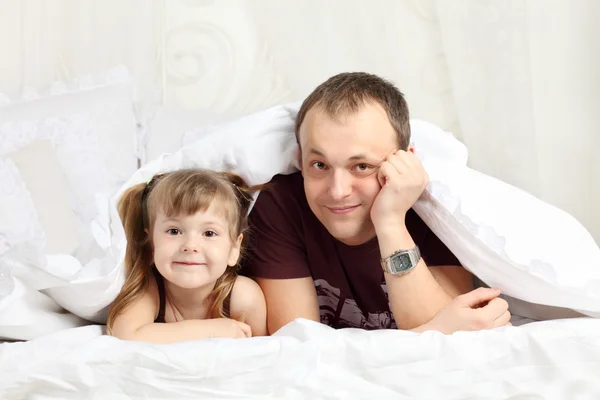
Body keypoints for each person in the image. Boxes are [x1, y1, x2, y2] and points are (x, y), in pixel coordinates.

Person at [243, 72, 511, 334]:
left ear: (404, 161)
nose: (337, 191)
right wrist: (431, 331)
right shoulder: (279, 206)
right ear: (300, 160)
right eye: (319, 165)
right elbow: (299, 345)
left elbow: (446, 340)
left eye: (361, 166)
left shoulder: (434, 208)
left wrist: (391, 222)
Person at [106, 168, 267, 343]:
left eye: (209, 233)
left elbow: (266, 356)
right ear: (151, 243)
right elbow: (126, 335)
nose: (190, 246)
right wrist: (212, 330)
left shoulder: (242, 297)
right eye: (174, 231)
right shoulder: (150, 289)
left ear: (234, 249)